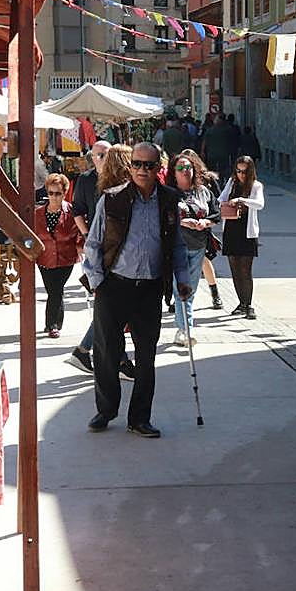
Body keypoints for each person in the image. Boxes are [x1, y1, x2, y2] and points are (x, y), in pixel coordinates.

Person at [81, 143, 192, 438]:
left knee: (146, 355)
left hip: (151, 287)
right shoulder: (112, 200)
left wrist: (183, 279)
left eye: (150, 165)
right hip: (114, 284)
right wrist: (96, 282)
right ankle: (106, 410)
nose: (143, 170)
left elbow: (177, 245)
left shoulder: (169, 201)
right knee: (106, 352)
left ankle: (140, 418)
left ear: (159, 169)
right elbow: (93, 243)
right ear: (131, 167)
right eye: (138, 164)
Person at [68, 144, 136, 379]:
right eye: (97, 155)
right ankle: (119, 362)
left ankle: (85, 351)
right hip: (109, 265)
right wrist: (96, 272)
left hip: (120, 265)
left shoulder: (127, 191)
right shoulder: (92, 185)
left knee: (111, 315)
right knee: (113, 315)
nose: (100, 159)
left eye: (104, 155)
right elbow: (81, 216)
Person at [166, 151, 221, 346]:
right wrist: (182, 221)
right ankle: (185, 329)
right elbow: (163, 218)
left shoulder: (204, 191)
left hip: (198, 246)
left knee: (192, 289)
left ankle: (182, 329)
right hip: (177, 247)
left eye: (188, 167)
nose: (185, 171)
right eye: (180, 168)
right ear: (174, 171)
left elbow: (216, 214)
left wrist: (205, 222)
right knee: (181, 288)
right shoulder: (168, 193)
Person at [34, 173, 83, 338]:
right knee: (53, 290)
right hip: (44, 259)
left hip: (65, 258)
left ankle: (52, 325)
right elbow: (32, 236)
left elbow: (79, 232)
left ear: (64, 193)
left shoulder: (71, 212)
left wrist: (80, 246)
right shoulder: (38, 214)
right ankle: (53, 323)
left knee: (56, 290)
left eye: (58, 193)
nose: (54, 197)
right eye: (50, 193)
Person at [218, 156, 265, 319]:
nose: (241, 175)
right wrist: (227, 203)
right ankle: (241, 303)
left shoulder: (256, 186)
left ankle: (249, 304)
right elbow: (221, 199)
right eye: (238, 171)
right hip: (231, 229)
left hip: (247, 232)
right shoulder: (231, 183)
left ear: (250, 171)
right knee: (235, 268)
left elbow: (260, 204)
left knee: (245, 269)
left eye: (244, 171)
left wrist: (242, 200)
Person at [203, 113, 234, 179]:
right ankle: (221, 180)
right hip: (224, 154)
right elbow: (231, 142)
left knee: (212, 169)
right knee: (223, 170)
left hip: (212, 154)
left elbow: (204, 142)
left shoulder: (210, 130)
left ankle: (213, 181)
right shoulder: (228, 129)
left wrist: (202, 151)